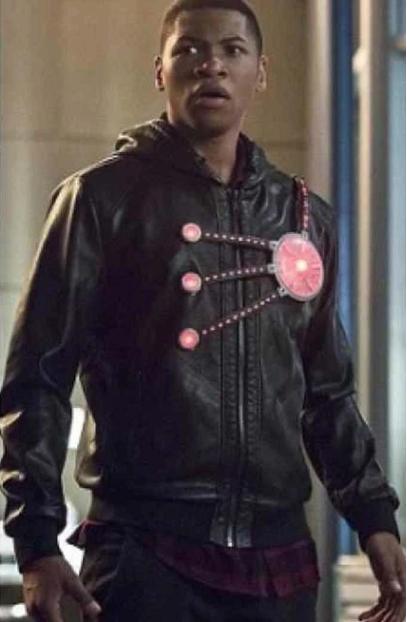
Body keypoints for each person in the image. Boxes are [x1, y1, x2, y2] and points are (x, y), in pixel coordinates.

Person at [0, 1, 405, 621]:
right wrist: (36, 542)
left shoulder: (303, 217)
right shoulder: (100, 200)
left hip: (279, 563)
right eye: (189, 50)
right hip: (145, 552)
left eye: (232, 51)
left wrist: (374, 516)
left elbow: (328, 394)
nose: (210, 65)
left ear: (260, 72)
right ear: (159, 70)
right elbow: (37, 380)